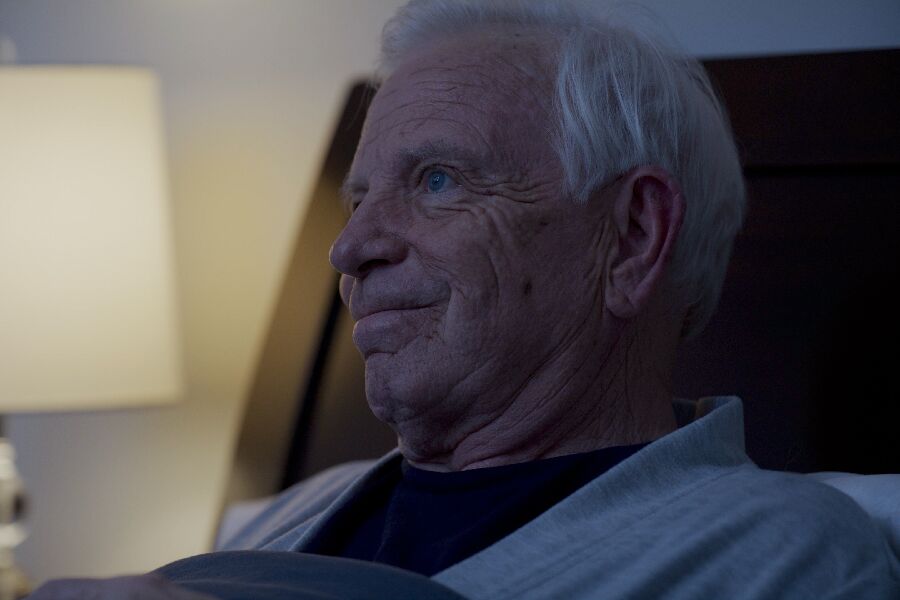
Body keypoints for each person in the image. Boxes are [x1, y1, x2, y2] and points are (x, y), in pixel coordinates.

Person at [30, 1, 900, 598]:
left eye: (437, 179)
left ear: (632, 237)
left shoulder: (780, 552)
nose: (350, 249)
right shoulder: (290, 514)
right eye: (358, 197)